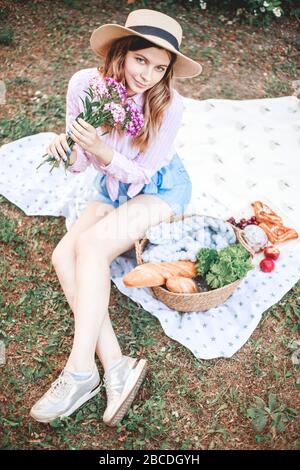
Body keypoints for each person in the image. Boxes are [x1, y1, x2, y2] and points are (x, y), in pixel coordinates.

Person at [29, 9, 202, 427]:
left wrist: (105, 153)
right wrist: (66, 148)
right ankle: (116, 365)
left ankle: (79, 371)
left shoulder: (170, 104)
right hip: (109, 188)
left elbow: (143, 173)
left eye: (160, 67)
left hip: (158, 189)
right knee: (62, 256)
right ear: (122, 52)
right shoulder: (84, 85)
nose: (148, 75)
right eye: (141, 60)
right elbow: (79, 163)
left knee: (90, 247)